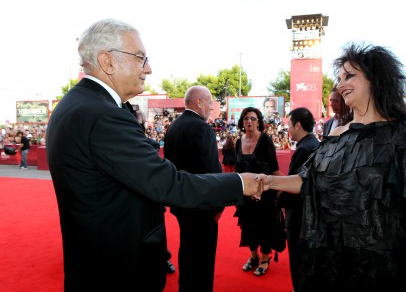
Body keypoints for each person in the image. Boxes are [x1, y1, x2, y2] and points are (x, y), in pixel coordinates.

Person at [46, 19, 260, 292]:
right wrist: (241, 183)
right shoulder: (101, 115)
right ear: (107, 61)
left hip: (97, 262)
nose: (148, 68)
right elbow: (167, 182)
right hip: (117, 271)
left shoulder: (78, 104)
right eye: (140, 58)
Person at [256, 43, 406, 291]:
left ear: (376, 79)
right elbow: (308, 180)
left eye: (350, 76)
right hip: (330, 263)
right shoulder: (335, 135)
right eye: (339, 77)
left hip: (383, 268)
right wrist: (268, 181)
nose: (341, 84)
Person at [163, 85, 224, 292]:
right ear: (198, 102)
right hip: (202, 204)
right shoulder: (202, 127)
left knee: (188, 249)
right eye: (210, 103)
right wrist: (219, 204)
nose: (212, 108)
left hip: (182, 202)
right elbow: (212, 169)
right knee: (203, 256)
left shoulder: (174, 127)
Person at [235, 107, 283, 276]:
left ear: (259, 122)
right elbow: (238, 169)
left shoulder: (265, 140)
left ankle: (264, 258)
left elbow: (274, 169)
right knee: (248, 226)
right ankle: (253, 255)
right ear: (242, 121)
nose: (249, 121)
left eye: (253, 118)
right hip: (246, 195)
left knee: (265, 226)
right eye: (246, 118)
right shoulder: (238, 141)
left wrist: (281, 189)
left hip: (265, 194)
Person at [278, 107, 319, 292]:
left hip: (300, 215)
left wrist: (279, 204)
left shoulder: (304, 149)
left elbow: (294, 185)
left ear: (298, 125)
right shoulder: (314, 144)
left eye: (289, 125)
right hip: (310, 214)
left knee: (298, 260)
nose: (288, 129)